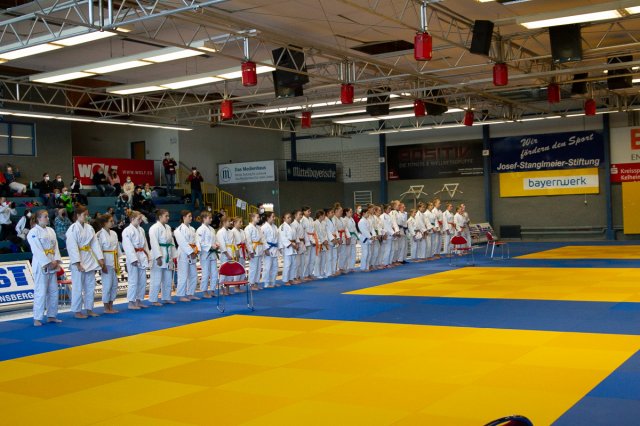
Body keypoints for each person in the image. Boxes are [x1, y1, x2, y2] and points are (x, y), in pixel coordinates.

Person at [66, 205, 104, 319]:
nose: (87, 217)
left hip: (89, 258)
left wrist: (100, 258)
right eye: (84, 215)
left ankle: (89, 309)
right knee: (78, 287)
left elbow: (95, 244)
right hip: (79, 259)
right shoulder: (72, 229)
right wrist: (77, 263)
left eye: (87, 215)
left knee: (90, 286)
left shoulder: (90, 228)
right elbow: (72, 247)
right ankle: (77, 311)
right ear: (78, 215)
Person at [27, 210, 63, 326]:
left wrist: (56, 260)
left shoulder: (51, 230)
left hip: (53, 262)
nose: (48, 218)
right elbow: (36, 250)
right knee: (41, 292)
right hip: (41, 265)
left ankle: (51, 316)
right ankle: (37, 318)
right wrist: (47, 263)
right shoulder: (33, 232)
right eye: (45, 217)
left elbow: (56, 247)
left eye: (47, 216)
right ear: (38, 219)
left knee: (53, 291)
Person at [122, 210, 150, 309]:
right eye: (139, 219)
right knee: (133, 280)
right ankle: (131, 302)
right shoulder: (127, 231)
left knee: (142, 280)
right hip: (133, 257)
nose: (140, 221)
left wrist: (148, 255)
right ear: (132, 219)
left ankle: (139, 300)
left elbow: (145, 244)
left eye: (141, 219)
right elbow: (127, 246)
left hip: (141, 255)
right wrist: (133, 258)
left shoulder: (141, 230)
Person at [149, 209, 177, 305]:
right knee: (156, 279)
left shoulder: (168, 227)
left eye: (168, 216)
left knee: (168, 279)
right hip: (159, 255)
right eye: (166, 216)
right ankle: (154, 299)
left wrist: (174, 255)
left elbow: (172, 242)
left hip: (168, 254)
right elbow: (153, 243)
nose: (168, 218)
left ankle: (167, 297)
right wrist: (158, 257)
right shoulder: (154, 228)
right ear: (160, 217)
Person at [95, 214, 121, 314]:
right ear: (104, 223)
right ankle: (106, 307)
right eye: (111, 221)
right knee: (107, 285)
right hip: (106, 262)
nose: (113, 222)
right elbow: (98, 250)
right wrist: (102, 265)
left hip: (114, 261)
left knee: (114, 285)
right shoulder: (99, 234)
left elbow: (117, 248)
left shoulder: (114, 233)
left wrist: (117, 263)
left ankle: (111, 306)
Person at [174, 210, 199, 301]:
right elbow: (182, 243)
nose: (191, 218)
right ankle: (181, 295)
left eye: (191, 216)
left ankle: (190, 293)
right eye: (189, 216)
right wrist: (191, 252)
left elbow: (196, 241)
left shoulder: (192, 229)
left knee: (193, 274)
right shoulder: (178, 230)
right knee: (183, 275)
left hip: (192, 253)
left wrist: (196, 251)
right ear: (184, 217)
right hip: (184, 253)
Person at [195, 211, 218, 298]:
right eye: (209, 218)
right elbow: (200, 243)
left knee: (214, 273)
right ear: (204, 218)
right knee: (206, 273)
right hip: (205, 254)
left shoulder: (212, 229)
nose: (211, 219)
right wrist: (210, 246)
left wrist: (216, 245)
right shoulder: (200, 229)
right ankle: (204, 291)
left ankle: (212, 290)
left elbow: (214, 240)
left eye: (211, 218)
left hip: (212, 253)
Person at [244, 212, 264, 291]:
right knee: (253, 268)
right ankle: (251, 284)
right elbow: (248, 241)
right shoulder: (248, 228)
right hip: (253, 248)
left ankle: (256, 283)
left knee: (259, 268)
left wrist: (264, 248)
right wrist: (250, 251)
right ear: (252, 218)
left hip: (259, 248)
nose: (259, 219)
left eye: (259, 217)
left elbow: (262, 238)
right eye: (257, 217)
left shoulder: (258, 227)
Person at [216, 215, 235, 294]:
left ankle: (227, 289)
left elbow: (233, 243)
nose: (230, 222)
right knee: (224, 272)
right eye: (229, 221)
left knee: (230, 272)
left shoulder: (231, 232)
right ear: (224, 222)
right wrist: (227, 255)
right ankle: (222, 289)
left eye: (231, 221)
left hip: (231, 252)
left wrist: (234, 253)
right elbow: (222, 245)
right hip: (224, 254)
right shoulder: (220, 232)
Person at [261, 212, 279, 288]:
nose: (274, 218)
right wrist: (266, 249)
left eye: (274, 216)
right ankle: (266, 283)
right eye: (273, 217)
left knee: (275, 266)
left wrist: (279, 248)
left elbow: (277, 238)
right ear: (268, 218)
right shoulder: (264, 227)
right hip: (268, 248)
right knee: (267, 267)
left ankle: (273, 282)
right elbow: (263, 239)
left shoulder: (275, 227)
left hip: (274, 248)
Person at [279, 212, 297, 286]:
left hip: (293, 246)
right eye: (288, 217)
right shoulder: (282, 227)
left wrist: (296, 243)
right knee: (287, 264)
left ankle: (291, 279)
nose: (290, 219)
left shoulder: (292, 226)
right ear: (284, 219)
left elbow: (295, 236)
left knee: (293, 264)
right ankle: (286, 280)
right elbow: (283, 238)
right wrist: (291, 244)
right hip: (287, 247)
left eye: (290, 217)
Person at [300, 206, 315, 281]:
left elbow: (313, 230)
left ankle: (310, 273)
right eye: (308, 211)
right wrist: (306, 241)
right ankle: (305, 275)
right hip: (306, 241)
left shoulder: (311, 219)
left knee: (312, 259)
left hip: (312, 239)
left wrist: (314, 240)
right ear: (304, 212)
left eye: (310, 211)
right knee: (306, 259)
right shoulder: (302, 220)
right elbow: (303, 232)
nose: (310, 212)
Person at [313, 210, 329, 279]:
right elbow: (316, 234)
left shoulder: (324, 223)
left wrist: (326, 240)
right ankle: (317, 273)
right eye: (323, 215)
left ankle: (322, 272)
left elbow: (326, 233)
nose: (325, 216)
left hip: (324, 242)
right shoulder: (314, 223)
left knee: (323, 259)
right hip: (318, 243)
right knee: (318, 259)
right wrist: (322, 241)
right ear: (320, 216)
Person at [291, 210, 305, 284]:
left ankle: (299, 276)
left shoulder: (301, 223)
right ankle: (294, 277)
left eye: (301, 214)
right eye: (299, 214)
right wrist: (296, 244)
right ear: (295, 215)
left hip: (302, 243)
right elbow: (294, 236)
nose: (301, 216)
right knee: (297, 262)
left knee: (301, 262)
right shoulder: (293, 224)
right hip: (297, 244)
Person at [358, 208, 373, 272]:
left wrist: (373, 236)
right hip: (364, 238)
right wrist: (370, 237)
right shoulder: (361, 221)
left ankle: (367, 266)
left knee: (369, 253)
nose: (368, 214)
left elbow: (371, 229)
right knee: (365, 253)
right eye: (367, 213)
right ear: (364, 213)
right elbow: (364, 231)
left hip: (368, 238)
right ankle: (363, 267)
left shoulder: (367, 220)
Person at [344, 207, 358, 272]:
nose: (351, 213)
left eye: (352, 212)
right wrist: (348, 237)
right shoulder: (344, 219)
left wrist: (356, 237)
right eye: (350, 212)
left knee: (353, 253)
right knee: (347, 253)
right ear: (346, 212)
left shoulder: (352, 219)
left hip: (353, 236)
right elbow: (345, 229)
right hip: (348, 237)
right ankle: (345, 267)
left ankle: (351, 267)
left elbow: (355, 229)